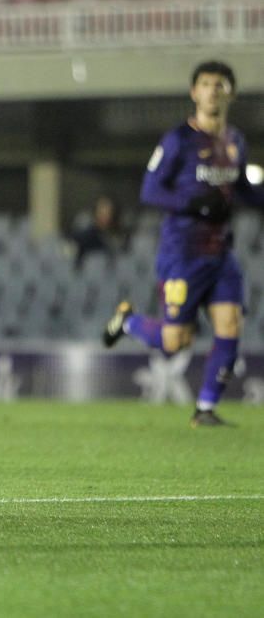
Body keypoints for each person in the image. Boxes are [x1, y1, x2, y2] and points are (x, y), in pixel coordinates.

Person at [103, 61, 264, 426]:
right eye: (205, 84)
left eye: (219, 85)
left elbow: (244, 191)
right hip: (183, 253)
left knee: (231, 323)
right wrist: (191, 203)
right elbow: (150, 190)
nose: (212, 91)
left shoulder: (235, 141)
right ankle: (128, 322)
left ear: (231, 93)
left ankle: (205, 409)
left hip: (221, 253)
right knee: (176, 341)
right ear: (194, 92)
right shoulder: (178, 139)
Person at [71, 195, 124, 268]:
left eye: (108, 212)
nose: (104, 216)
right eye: (101, 212)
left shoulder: (116, 236)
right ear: (95, 213)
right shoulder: (85, 237)